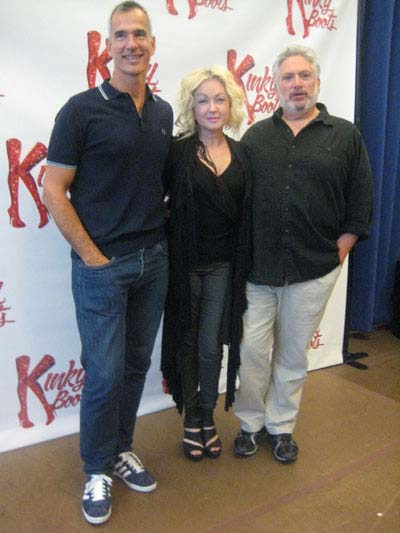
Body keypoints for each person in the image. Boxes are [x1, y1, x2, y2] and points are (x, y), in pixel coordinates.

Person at [43, 1, 173, 525]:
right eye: (121, 35)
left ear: (152, 44)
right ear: (107, 46)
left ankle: (120, 449)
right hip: (102, 269)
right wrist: (92, 257)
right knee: (103, 374)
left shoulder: (163, 112)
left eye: (139, 34)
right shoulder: (80, 110)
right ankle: (96, 468)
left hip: (154, 262)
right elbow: (54, 189)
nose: (131, 44)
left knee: (136, 366)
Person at [233, 45, 373, 464]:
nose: (296, 84)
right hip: (259, 269)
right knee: (253, 352)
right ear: (275, 86)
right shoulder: (256, 137)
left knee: (293, 354)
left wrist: (342, 248)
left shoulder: (345, 134)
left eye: (304, 76)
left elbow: (361, 199)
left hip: (314, 269)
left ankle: (280, 427)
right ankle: (250, 423)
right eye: (288, 77)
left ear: (316, 81)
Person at [161, 67, 252, 462]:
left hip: (223, 266)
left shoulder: (243, 153)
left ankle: (206, 415)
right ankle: (189, 420)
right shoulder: (177, 151)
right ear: (191, 107)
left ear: (230, 105)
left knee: (211, 344)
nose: (211, 107)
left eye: (219, 99)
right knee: (186, 340)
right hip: (182, 265)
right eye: (203, 100)